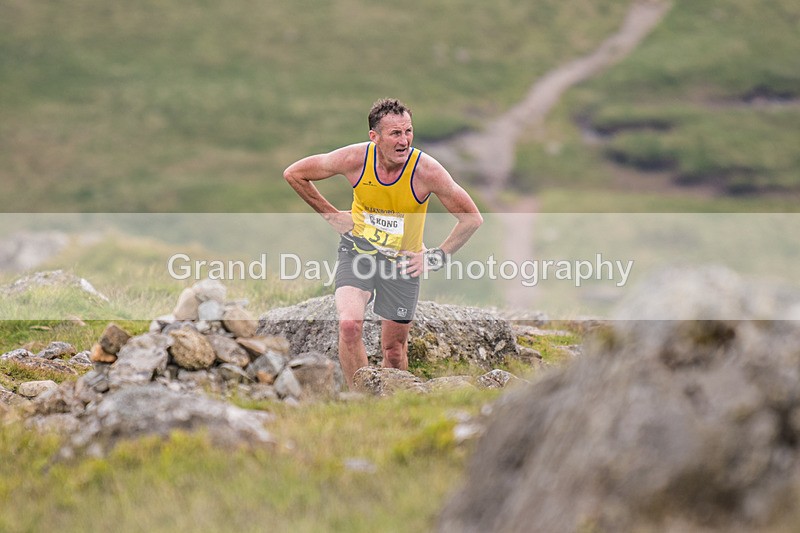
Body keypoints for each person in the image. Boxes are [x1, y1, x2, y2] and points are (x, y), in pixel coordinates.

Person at [284, 98, 482, 388]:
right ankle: (362, 399)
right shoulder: (354, 159)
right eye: (395, 134)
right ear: (374, 137)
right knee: (349, 325)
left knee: (393, 351)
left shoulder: (426, 171)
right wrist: (331, 216)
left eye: (408, 132)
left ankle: (393, 399)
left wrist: (435, 257)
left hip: (402, 264)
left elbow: (471, 218)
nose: (404, 141)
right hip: (358, 252)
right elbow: (295, 173)